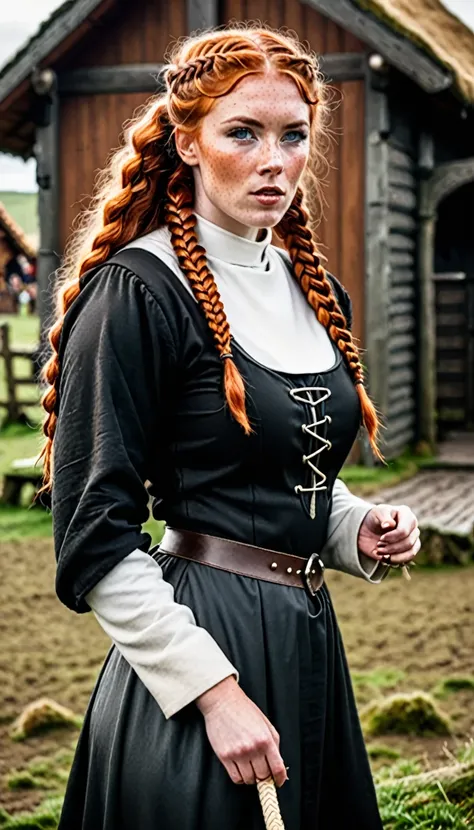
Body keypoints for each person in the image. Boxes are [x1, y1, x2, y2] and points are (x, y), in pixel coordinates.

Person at [37, 26, 420, 830]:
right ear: (188, 141)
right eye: (242, 132)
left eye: (293, 136)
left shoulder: (315, 290)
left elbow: (283, 469)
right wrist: (212, 693)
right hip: (199, 650)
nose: (273, 160)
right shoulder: (136, 293)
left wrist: (356, 527)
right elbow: (94, 535)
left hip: (309, 637)